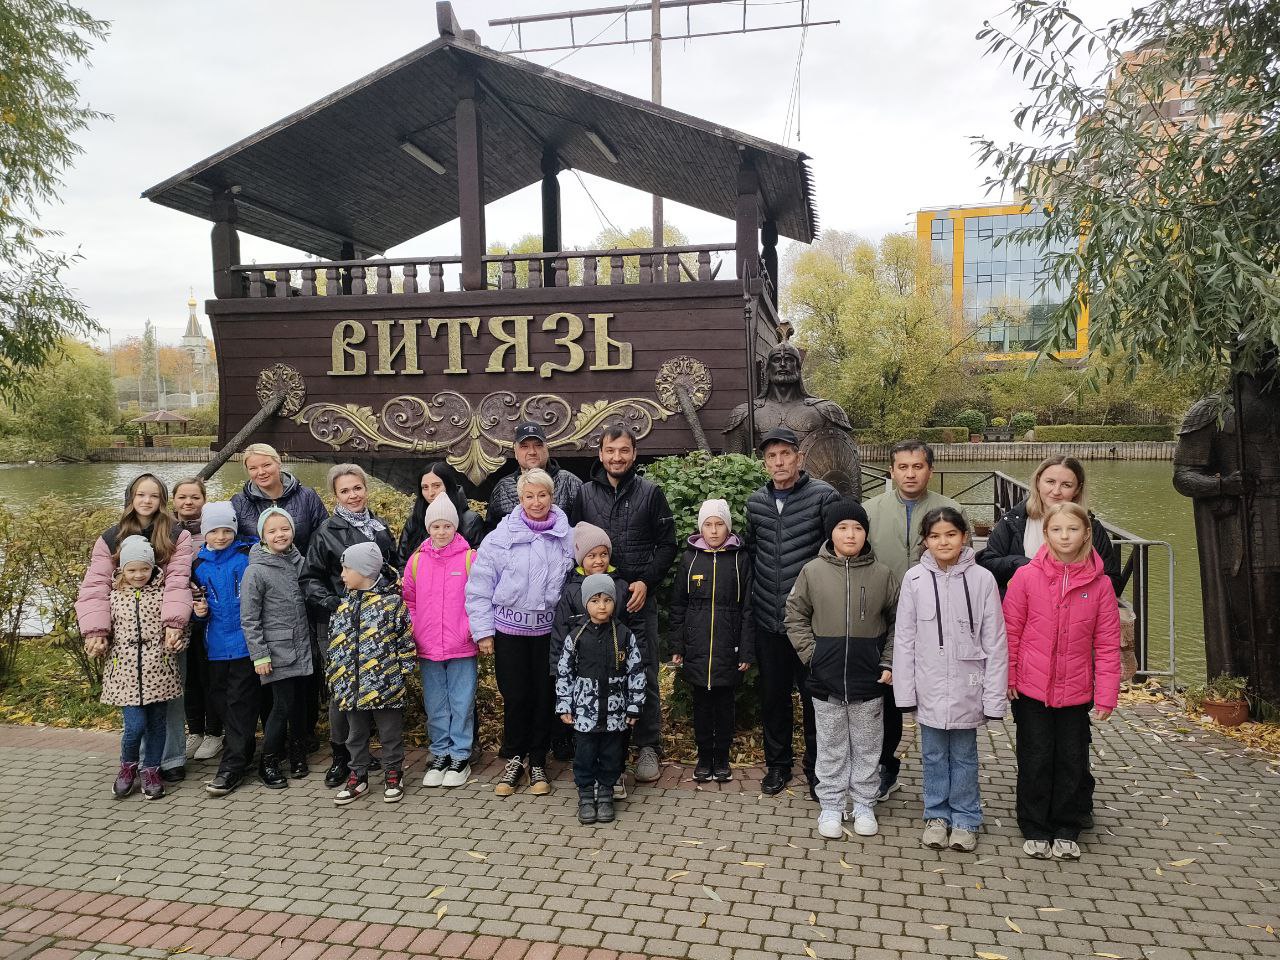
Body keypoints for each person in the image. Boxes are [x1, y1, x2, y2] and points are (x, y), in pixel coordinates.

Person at [1004, 502, 1122, 861]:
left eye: (1072, 529)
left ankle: (1067, 825)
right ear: (1046, 533)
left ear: (1086, 534)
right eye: (1057, 529)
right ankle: (1034, 824)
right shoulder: (1026, 577)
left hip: (1075, 690)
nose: (1065, 536)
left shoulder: (1100, 585)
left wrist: (1107, 694)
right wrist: (1009, 675)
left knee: (1072, 758)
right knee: (1036, 756)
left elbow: (1107, 643)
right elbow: (1011, 631)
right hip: (1031, 687)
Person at [893, 507, 1008, 853]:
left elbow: (995, 641)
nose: (943, 542)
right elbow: (904, 640)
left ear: (964, 537)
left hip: (967, 687)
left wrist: (993, 697)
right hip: (928, 686)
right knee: (931, 755)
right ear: (925, 541)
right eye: (935, 536)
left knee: (964, 756)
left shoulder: (983, 580)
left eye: (950, 534)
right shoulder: (914, 579)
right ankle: (936, 815)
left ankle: (966, 818)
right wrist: (905, 693)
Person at [785, 500, 899, 840]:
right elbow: (795, 615)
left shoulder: (882, 575)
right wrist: (813, 656)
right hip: (826, 679)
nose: (851, 534)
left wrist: (888, 660)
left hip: (869, 680)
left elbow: (899, 622)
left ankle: (863, 803)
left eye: (858, 528)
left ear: (866, 533)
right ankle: (832, 804)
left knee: (867, 746)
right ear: (830, 533)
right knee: (831, 746)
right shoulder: (812, 572)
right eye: (843, 528)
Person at [863, 440, 968, 802]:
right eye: (903, 467)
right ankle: (885, 766)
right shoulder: (871, 510)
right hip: (884, 619)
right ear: (891, 471)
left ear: (930, 470)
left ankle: (947, 778)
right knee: (887, 696)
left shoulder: (950, 509)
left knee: (939, 696)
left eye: (918, 466)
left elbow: (966, 564)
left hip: (938, 621)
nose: (910, 474)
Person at [76, 473, 194, 783]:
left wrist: (174, 623)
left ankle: (171, 758)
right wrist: (96, 630)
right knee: (136, 705)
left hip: (164, 629)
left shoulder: (176, 534)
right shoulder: (110, 537)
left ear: (162, 500)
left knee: (170, 698)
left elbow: (178, 580)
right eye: (141, 494)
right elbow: (96, 585)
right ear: (131, 498)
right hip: (126, 632)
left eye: (153, 495)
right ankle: (139, 761)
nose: (146, 500)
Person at [466, 468, 575, 797]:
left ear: (551, 497)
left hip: (548, 633)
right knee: (515, 696)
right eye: (529, 496)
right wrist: (483, 631)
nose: (536, 502)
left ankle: (538, 759)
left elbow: (575, 584)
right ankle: (515, 758)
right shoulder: (499, 537)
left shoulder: (567, 536)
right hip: (509, 631)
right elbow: (479, 587)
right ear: (520, 498)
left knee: (544, 696)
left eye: (542, 495)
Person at [577, 427, 677, 784]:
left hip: (637, 600)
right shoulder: (585, 494)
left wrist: (646, 582)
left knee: (643, 671)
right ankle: (607, 749)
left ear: (634, 454)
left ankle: (648, 745)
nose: (616, 457)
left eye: (623, 450)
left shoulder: (651, 493)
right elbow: (575, 545)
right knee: (600, 672)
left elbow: (668, 544)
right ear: (600, 453)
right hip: (597, 602)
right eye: (610, 450)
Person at [744, 426, 840, 798]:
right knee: (774, 698)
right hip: (769, 619)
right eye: (772, 456)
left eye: (786, 454)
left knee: (816, 699)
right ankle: (778, 766)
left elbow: (836, 552)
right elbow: (753, 554)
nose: (779, 462)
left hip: (811, 622)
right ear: (764, 463)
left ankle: (818, 770)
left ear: (799, 458)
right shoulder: (756, 503)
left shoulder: (823, 496)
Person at [301, 464, 401, 788]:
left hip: (375, 620)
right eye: (345, 491)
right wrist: (334, 603)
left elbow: (392, 566)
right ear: (335, 496)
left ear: (366, 489)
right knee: (342, 691)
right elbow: (309, 578)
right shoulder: (326, 532)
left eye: (357, 488)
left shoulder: (379, 526)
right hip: (338, 621)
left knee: (372, 682)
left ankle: (362, 755)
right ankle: (340, 756)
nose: (353, 495)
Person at [86, 535, 185, 801]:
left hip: (159, 671)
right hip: (125, 674)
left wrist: (178, 641)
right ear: (122, 569)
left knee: (157, 725)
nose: (139, 575)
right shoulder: (113, 597)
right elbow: (101, 631)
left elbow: (179, 629)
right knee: (135, 725)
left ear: (153, 568)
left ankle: (151, 770)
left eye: (144, 569)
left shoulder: (163, 594)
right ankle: (128, 767)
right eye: (132, 570)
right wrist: (97, 645)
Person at [669, 499, 754, 783]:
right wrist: (678, 645)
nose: (714, 531)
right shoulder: (690, 558)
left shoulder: (740, 559)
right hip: (697, 647)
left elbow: (748, 609)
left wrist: (746, 649)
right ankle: (705, 757)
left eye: (719, 524)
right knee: (702, 706)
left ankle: (722, 757)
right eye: (708, 524)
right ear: (700, 528)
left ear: (728, 527)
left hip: (728, 646)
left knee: (725, 705)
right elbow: (679, 605)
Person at [327, 542, 416, 806]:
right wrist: (334, 677)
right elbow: (334, 646)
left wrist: (401, 673)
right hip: (352, 687)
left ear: (365, 571)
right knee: (355, 735)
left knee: (390, 733)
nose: (342, 574)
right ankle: (358, 775)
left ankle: (393, 774)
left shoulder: (391, 604)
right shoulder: (342, 606)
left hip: (386, 685)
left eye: (347, 568)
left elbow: (405, 641)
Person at [556, 574, 645, 825]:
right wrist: (564, 704)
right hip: (585, 713)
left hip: (615, 714)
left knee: (611, 754)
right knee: (584, 754)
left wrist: (634, 705)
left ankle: (606, 793)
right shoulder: (576, 636)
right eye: (595, 601)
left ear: (614, 602)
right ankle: (586, 794)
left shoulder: (624, 635)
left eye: (607, 600)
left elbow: (636, 672)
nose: (602, 606)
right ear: (586, 603)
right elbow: (564, 672)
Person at [403, 495, 478, 789]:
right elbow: (409, 600)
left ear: (455, 526)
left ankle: (460, 755)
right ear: (428, 528)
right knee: (436, 703)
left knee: (462, 701)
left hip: (462, 644)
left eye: (447, 525)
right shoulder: (417, 561)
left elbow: (479, 597)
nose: (441, 531)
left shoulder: (469, 558)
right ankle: (440, 753)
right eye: (436, 526)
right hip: (428, 645)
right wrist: (416, 628)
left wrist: (471, 628)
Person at [240, 506, 314, 788]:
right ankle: (268, 760)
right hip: (277, 650)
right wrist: (259, 655)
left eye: (285, 529)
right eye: (272, 531)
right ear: (262, 536)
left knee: (300, 704)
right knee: (282, 705)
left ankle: (297, 753)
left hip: (303, 646)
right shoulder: (256, 571)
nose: (280, 535)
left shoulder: (300, 562)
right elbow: (249, 618)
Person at [549, 522, 631, 769]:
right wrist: (556, 668)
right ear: (581, 558)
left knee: (615, 729)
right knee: (584, 727)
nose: (598, 560)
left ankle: (613, 771)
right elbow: (560, 632)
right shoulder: (571, 590)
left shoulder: (621, 586)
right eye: (591, 555)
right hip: (583, 675)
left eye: (603, 554)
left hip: (614, 674)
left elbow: (630, 629)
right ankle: (586, 773)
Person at [978, 456, 1121, 595]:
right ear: (1038, 482)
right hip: (1022, 606)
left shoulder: (1091, 527)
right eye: (1050, 482)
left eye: (1066, 485)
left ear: (1077, 489)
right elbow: (987, 564)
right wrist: (1021, 564)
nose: (1056, 491)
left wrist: (1074, 585)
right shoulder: (1013, 520)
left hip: (1074, 609)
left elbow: (1112, 580)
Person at [191, 504, 256, 797]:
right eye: (214, 531)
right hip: (214, 647)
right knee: (221, 701)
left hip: (244, 645)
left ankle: (232, 766)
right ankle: (242, 749)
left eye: (227, 530)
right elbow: (194, 607)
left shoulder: (246, 558)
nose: (220, 536)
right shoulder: (198, 566)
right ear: (204, 532)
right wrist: (199, 614)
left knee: (240, 703)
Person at [172, 478, 221, 763]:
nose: (188, 502)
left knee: (209, 673)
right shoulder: (167, 531)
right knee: (188, 676)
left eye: (195, 497)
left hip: (210, 613)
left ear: (204, 500)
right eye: (182, 497)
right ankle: (195, 731)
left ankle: (214, 731)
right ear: (174, 501)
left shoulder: (214, 530)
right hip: (179, 614)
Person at [230, 443, 329, 553]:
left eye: (266, 465)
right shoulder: (239, 503)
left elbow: (325, 537)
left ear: (278, 463)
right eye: (253, 468)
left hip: (304, 563)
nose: (261, 472)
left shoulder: (307, 496)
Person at [485, 422, 583, 531]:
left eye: (538, 445)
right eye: (524, 446)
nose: (532, 452)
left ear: (546, 449)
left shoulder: (570, 482)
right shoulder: (503, 487)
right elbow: (490, 531)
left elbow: (584, 529)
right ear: (515, 452)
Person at [398, 460, 485, 560]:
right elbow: (401, 561)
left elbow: (480, 563)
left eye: (436, 486)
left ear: (448, 486)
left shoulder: (470, 521)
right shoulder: (414, 521)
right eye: (425, 487)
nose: (430, 493)